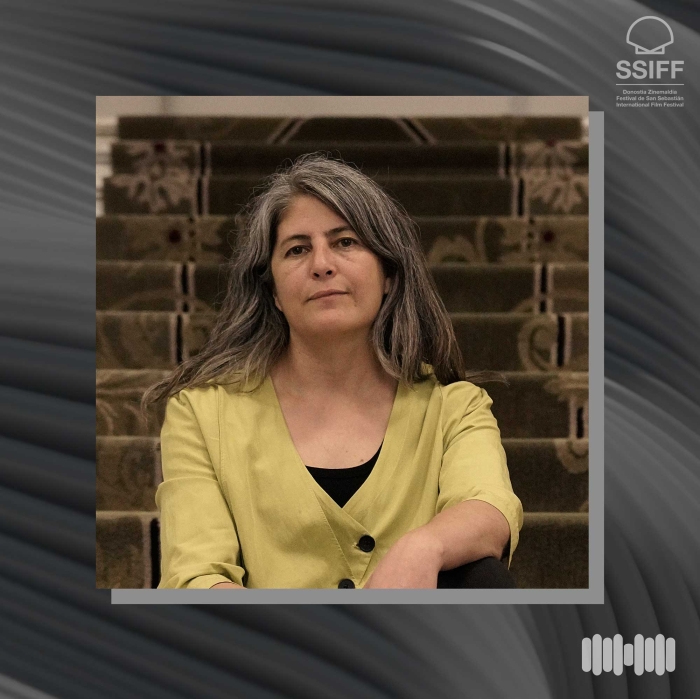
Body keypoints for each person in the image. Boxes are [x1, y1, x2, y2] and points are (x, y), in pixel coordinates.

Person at [142, 153, 523, 589]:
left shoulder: (453, 406)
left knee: (483, 577)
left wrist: (423, 547)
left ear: (388, 275)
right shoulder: (201, 413)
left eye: (345, 242)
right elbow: (197, 574)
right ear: (274, 292)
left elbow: (489, 509)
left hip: (414, 629)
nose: (322, 264)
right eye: (297, 249)